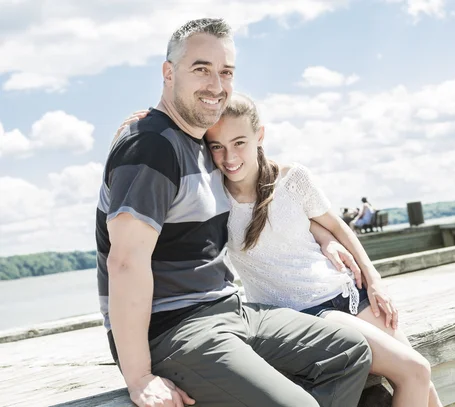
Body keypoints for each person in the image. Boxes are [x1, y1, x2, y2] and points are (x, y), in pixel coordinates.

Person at [97, 18, 372, 407]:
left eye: (225, 72)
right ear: (168, 74)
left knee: (349, 352)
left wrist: (324, 236)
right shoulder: (151, 148)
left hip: (230, 310)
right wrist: (139, 376)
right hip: (175, 330)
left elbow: (267, 196)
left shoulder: (203, 144)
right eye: (201, 69)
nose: (216, 85)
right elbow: (125, 261)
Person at [116, 93, 445, 407]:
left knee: (421, 378)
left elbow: (334, 226)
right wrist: (143, 132)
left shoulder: (293, 177)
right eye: (217, 147)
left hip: (349, 291)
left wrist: (374, 281)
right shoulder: (213, 198)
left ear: (260, 135)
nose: (229, 158)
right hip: (304, 313)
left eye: (239, 143)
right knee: (414, 370)